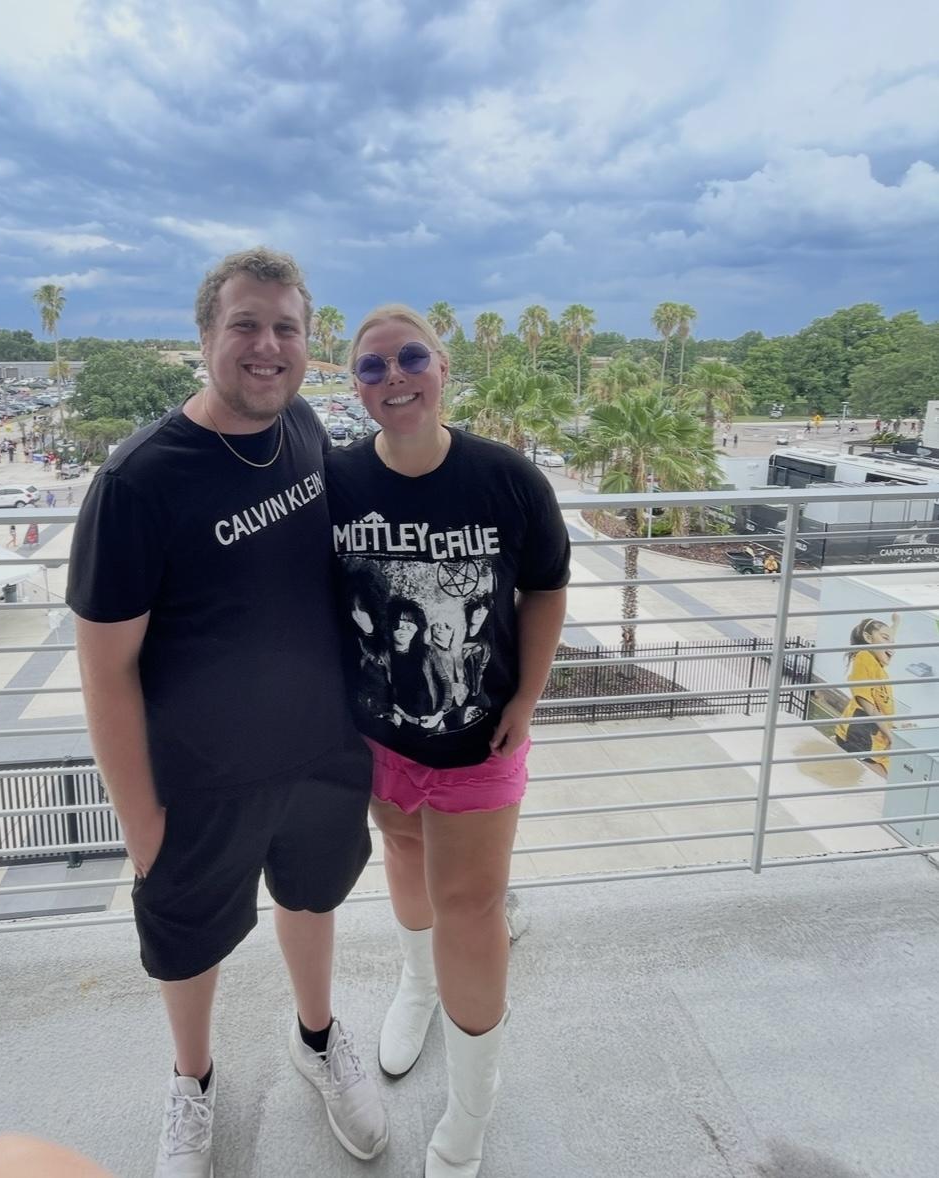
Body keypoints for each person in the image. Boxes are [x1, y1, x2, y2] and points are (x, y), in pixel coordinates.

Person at [67, 247, 387, 1175]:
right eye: (246, 324)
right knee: (187, 940)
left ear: (307, 343)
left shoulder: (305, 431)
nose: (267, 345)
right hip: (201, 777)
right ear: (206, 334)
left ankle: (318, 1038)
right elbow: (105, 672)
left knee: (313, 897)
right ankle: (192, 1081)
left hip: (321, 752)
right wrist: (141, 822)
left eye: (286, 327)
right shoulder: (139, 481)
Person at [327, 304, 569, 1178]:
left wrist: (527, 698)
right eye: (372, 367)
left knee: (469, 908)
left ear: (442, 368)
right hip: (379, 741)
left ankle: (472, 1105)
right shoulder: (336, 482)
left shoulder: (506, 479)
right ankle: (417, 983)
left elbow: (545, 589)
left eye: (411, 358)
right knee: (401, 854)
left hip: (479, 746)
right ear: (356, 387)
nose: (394, 377)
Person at [834, 613, 900, 776]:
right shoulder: (864, 657)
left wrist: (896, 623)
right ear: (868, 638)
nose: (891, 646)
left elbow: (887, 637)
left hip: (873, 737)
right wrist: (892, 737)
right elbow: (869, 709)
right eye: (885, 638)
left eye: (892, 642)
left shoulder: (878, 665)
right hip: (860, 736)